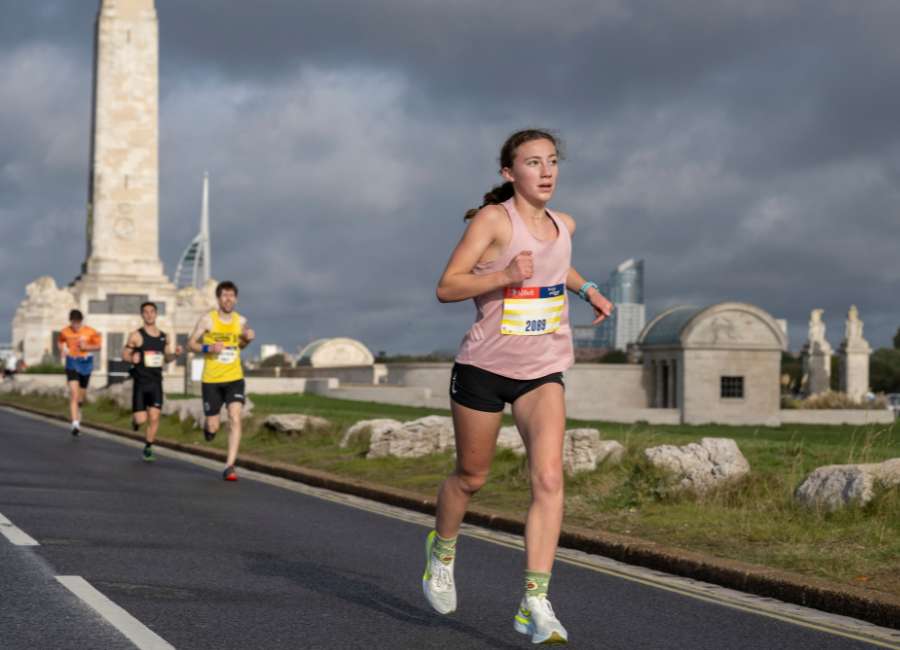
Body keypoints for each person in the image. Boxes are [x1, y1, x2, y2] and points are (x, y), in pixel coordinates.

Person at [424, 129, 614, 644]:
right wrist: (505, 274)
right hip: (483, 370)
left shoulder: (564, 224)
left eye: (552, 161)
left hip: (542, 371)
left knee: (549, 478)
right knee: (471, 477)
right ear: (510, 173)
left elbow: (556, 262)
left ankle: (534, 600)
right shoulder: (493, 220)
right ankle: (442, 552)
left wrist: (588, 289)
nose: (547, 171)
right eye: (533, 162)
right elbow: (447, 286)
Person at [186, 281, 254, 481]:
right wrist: (208, 348)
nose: (228, 299)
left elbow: (240, 345)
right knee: (213, 426)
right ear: (218, 299)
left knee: (235, 418)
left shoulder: (241, 321)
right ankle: (208, 429)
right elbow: (190, 344)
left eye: (231, 295)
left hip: (234, 378)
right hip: (212, 380)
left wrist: (247, 339)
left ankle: (229, 466)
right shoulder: (207, 320)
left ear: (236, 299)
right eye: (224, 295)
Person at [123, 302, 184, 462]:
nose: (149, 314)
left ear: (156, 314)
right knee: (141, 420)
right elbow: (125, 355)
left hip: (156, 382)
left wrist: (176, 355)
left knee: (154, 417)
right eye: (146, 312)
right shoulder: (136, 336)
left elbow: (167, 358)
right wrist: (132, 358)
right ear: (142, 315)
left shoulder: (165, 337)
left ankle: (148, 448)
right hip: (141, 382)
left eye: (152, 312)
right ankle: (135, 420)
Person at [58, 310, 102, 437]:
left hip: (85, 364)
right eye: (73, 322)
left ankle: (79, 409)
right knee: (74, 394)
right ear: (70, 321)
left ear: (81, 321)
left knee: (80, 398)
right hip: (71, 363)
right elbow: (60, 341)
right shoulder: (65, 331)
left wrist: (87, 347)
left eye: (78, 322)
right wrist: (62, 350)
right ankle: (75, 424)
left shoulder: (90, 331)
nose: (76, 325)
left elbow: (98, 346)